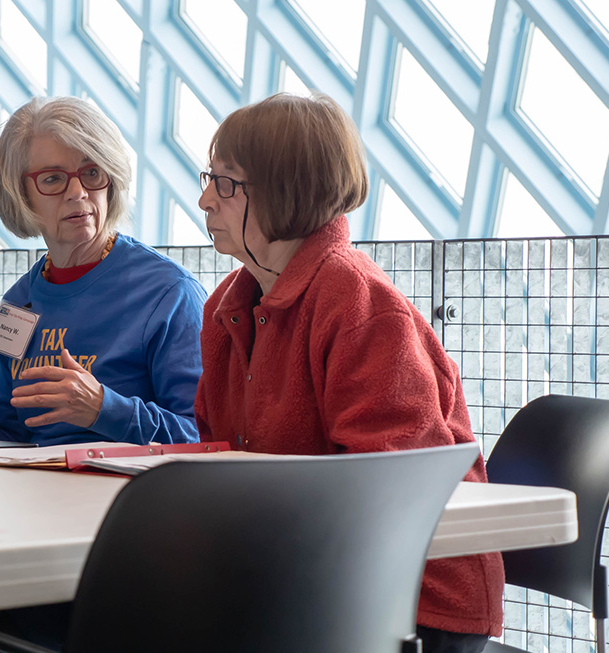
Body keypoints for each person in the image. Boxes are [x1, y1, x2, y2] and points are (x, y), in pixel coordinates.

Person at [194, 92, 505, 653]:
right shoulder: (228, 309)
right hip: (307, 578)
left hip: (410, 601)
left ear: (283, 188)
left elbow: (392, 489)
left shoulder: (356, 301)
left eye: (224, 184)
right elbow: (220, 456)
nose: (204, 200)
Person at [0, 96, 206, 447]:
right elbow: (3, 439)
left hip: (130, 497)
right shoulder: (20, 302)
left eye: (92, 173)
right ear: (21, 195)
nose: (78, 193)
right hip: (32, 495)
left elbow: (203, 437)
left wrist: (103, 409)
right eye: (53, 179)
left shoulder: (169, 293)